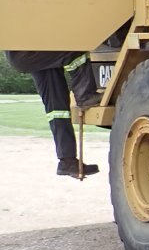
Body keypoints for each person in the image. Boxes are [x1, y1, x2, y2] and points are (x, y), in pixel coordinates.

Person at [3, 50, 100, 178]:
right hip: (29, 51)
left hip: (30, 54)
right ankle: (85, 95)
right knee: (76, 52)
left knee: (57, 109)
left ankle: (67, 161)